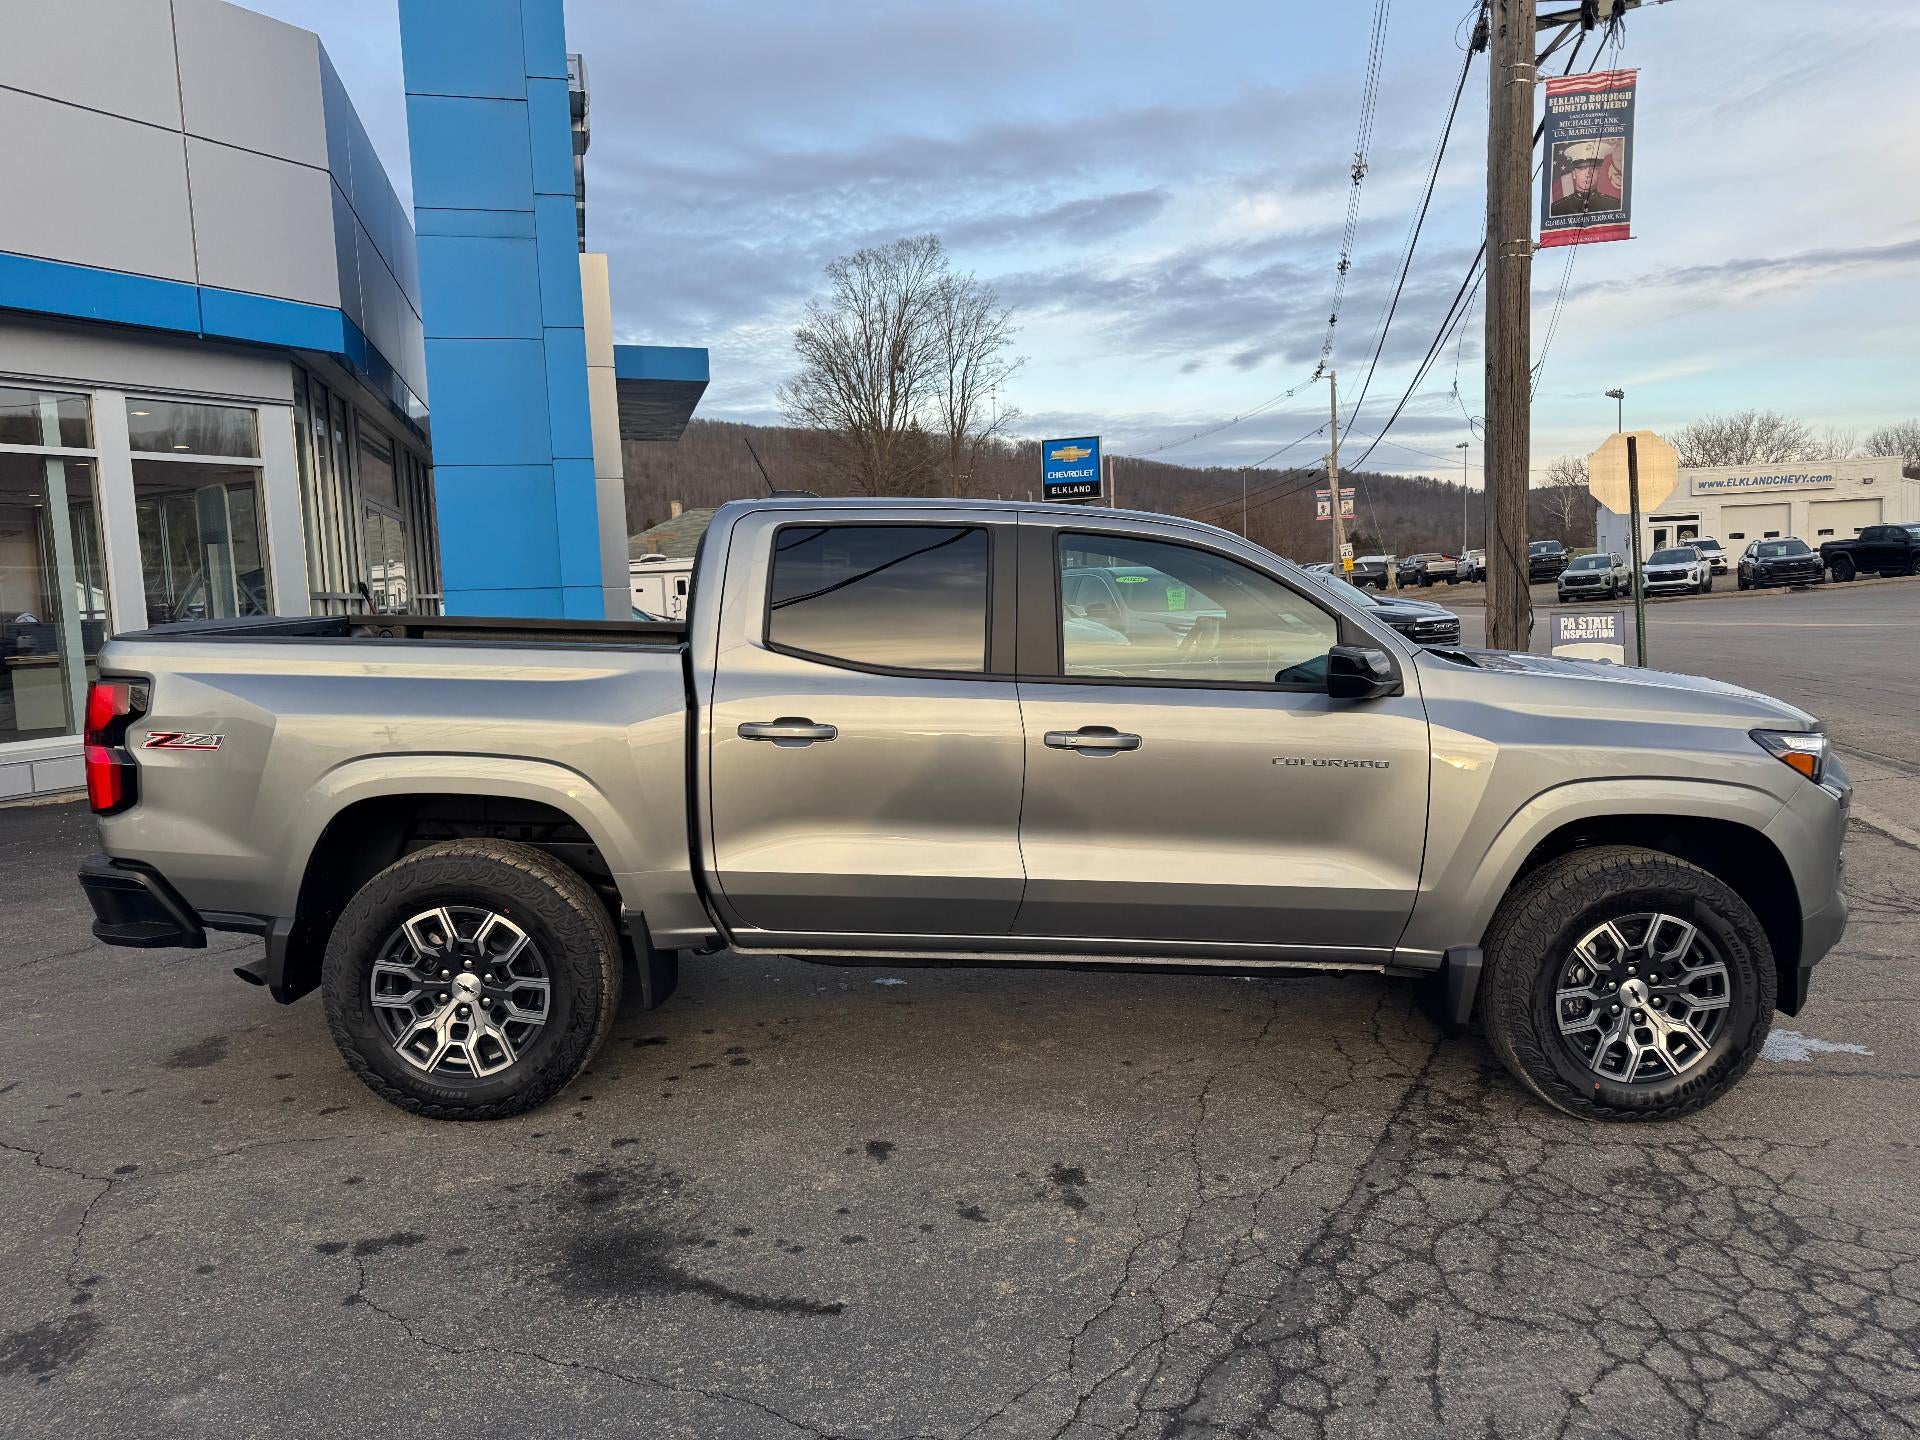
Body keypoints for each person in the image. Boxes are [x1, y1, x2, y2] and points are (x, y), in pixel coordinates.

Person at [1549, 140, 1623, 217]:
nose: (1588, 174)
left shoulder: (1614, 205)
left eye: (1593, 169)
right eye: (1582, 169)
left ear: (1599, 173)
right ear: (1574, 174)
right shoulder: (1556, 209)